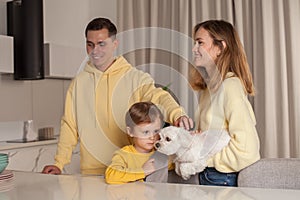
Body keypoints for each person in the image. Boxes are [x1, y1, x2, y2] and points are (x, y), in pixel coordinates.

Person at [42, 17, 193, 175]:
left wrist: (177, 114)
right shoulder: (78, 84)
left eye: (101, 44)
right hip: (91, 173)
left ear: (115, 44)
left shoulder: (135, 78)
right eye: (90, 44)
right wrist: (59, 163)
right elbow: (69, 127)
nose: (95, 51)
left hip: (129, 171)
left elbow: (159, 97)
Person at [189, 20, 260, 186]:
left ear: (220, 48)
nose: (194, 49)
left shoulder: (230, 87)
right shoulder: (209, 89)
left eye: (200, 43)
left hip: (221, 179)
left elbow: (247, 150)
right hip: (207, 176)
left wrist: (205, 158)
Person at [105, 101, 169, 184]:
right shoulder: (124, 155)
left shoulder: (162, 153)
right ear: (130, 131)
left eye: (156, 131)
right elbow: (111, 176)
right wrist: (142, 171)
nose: (152, 137)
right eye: (146, 132)